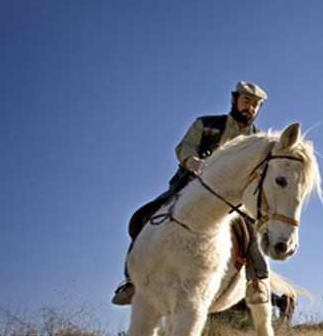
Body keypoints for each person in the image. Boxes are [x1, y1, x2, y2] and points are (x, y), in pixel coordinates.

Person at [112, 81, 270, 306]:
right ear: (234, 100)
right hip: (191, 184)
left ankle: (258, 282)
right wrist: (193, 162)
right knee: (149, 216)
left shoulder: (259, 140)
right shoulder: (205, 124)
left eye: (256, 105)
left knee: (251, 228)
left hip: (233, 195)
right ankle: (131, 282)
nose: (250, 109)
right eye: (247, 102)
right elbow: (184, 147)